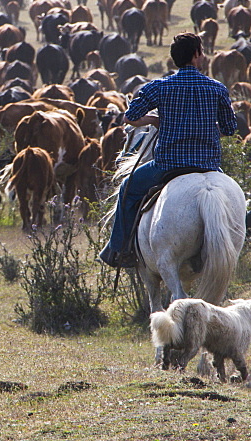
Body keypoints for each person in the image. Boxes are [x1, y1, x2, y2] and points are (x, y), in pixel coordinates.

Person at [99, 32, 239, 268]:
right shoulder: (216, 88)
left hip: (168, 165)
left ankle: (119, 249)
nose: (203, 56)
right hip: (207, 165)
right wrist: (205, 128)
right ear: (196, 55)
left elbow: (130, 117)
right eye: (202, 52)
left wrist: (154, 121)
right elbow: (230, 128)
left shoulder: (159, 87)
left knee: (128, 188)